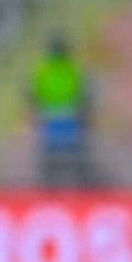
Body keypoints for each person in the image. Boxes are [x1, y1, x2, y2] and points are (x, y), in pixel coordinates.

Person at [29, 34, 91, 187]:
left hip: (51, 118)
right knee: (74, 157)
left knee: (52, 158)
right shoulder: (72, 69)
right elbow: (81, 94)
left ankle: (50, 186)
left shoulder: (44, 70)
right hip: (69, 118)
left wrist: (39, 111)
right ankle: (78, 185)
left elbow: (36, 95)